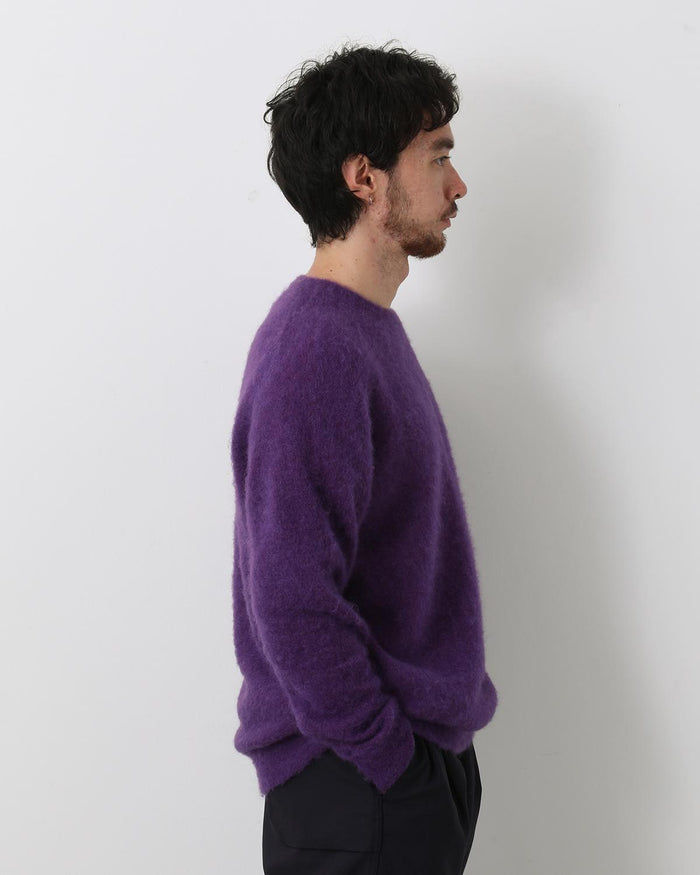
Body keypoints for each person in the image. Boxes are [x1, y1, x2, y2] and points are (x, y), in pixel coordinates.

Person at [230, 41, 498, 874]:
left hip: (392, 773)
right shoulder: (316, 348)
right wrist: (394, 766)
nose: (458, 184)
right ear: (364, 177)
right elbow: (291, 599)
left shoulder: (362, 332)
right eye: (438, 156)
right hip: (358, 783)